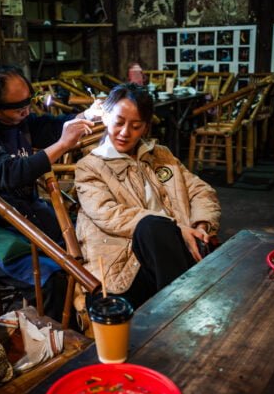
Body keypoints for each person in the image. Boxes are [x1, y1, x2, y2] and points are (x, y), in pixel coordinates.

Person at [0, 65, 100, 319]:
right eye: (19, 108)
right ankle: (63, 347)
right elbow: (10, 173)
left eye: (30, 102)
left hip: (30, 214)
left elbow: (51, 126)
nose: (26, 112)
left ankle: (93, 325)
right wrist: (63, 145)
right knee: (52, 281)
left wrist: (89, 115)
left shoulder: (16, 119)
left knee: (93, 247)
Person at [75, 82, 221, 309]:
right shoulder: (90, 167)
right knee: (151, 226)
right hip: (127, 270)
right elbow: (109, 215)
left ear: (145, 127)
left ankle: (190, 306)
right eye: (119, 122)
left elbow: (200, 190)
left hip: (178, 255)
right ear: (105, 117)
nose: (125, 132)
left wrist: (200, 226)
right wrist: (176, 229)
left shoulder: (161, 155)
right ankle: (183, 312)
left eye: (135, 126)